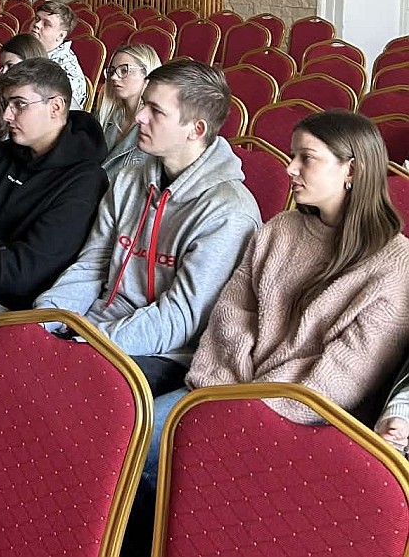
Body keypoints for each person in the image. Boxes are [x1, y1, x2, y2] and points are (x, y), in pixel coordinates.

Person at [124, 110, 409, 557]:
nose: (290, 168)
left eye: (306, 158)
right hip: (219, 392)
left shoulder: (393, 264)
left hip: (301, 424)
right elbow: (231, 318)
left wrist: (244, 411)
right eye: (292, 155)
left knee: (168, 463)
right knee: (128, 442)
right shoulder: (279, 230)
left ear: (351, 170)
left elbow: (342, 377)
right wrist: (222, 397)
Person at [35, 60, 261, 396]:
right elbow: (92, 265)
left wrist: (87, 341)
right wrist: (43, 320)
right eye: (144, 105)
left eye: (156, 110)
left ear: (196, 129)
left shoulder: (229, 212)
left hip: (163, 353)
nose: (140, 117)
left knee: (63, 389)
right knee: (15, 355)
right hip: (95, 329)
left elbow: (179, 319)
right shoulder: (130, 178)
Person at [0, 57, 107, 319]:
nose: (6, 115)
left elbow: (21, 275)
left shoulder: (85, 181)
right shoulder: (0, 154)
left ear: (56, 107)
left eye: (19, 104)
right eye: (6, 104)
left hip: (7, 308)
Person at [97, 43, 162, 180]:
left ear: (147, 73)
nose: (114, 77)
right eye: (112, 71)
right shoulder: (104, 116)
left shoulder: (157, 128)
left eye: (124, 70)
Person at [30, 0, 87, 110]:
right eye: (36, 19)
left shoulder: (67, 72)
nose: (37, 24)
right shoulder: (25, 51)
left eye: (46, 24)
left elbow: (63, 113)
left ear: (61, 36)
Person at [0, 33, 45, 142]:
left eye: (10, 66)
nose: (3, 72)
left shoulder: (45, 96)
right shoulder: (5, 90)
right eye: (3, 66)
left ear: (30, 64)